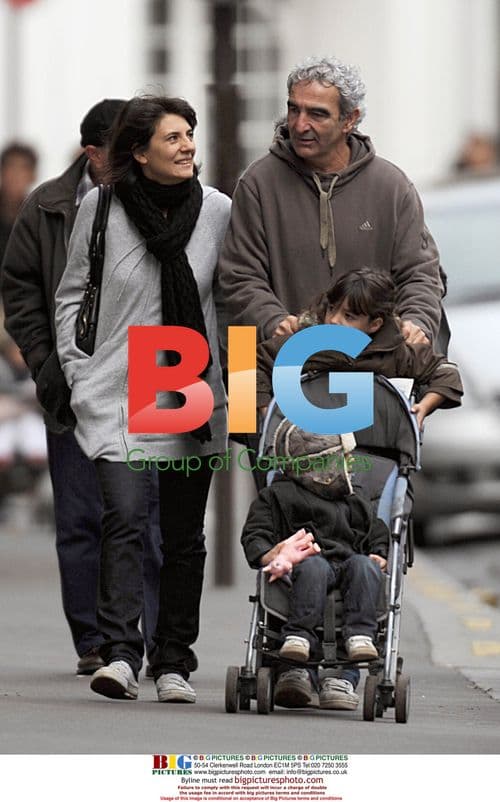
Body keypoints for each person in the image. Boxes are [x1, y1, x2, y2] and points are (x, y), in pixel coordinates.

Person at [55, 95, 231, 703]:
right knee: (124, 519)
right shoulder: (99, 209)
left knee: (182, 533)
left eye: (190, 135)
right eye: (172, 137)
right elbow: (72, 294)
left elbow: (232, 306)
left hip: (183, 378)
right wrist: (80, 373)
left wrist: (234, 389)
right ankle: (122, 654)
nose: (187, 146)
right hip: (115, 384)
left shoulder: (217, 212)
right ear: (139, 151)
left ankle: (175, 660)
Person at [1, 100, 162, 676]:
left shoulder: (166, 197)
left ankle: (149, 639)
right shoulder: (46, 205)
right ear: (93, 153)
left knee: (149, 518)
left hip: (151, 383)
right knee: (80, 518)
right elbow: (19, 287)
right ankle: (95, 642)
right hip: (71, 383)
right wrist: (46, 365)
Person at [218, 55, 445, 348]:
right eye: (293, 109)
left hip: (370, 365)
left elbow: (420, 274)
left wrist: (417, 322)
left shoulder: (393, 187)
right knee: (241, 389)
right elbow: (238, 275)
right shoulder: (256, 183)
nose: (300, 125)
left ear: (349, 119)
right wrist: (272, 320)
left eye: (317, 114)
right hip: (271, 360)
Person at [241, 421, 390, 711]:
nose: (351, 465)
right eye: (344, 459)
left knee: (364, 566)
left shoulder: (353, 499)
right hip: (301, 572)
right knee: (313, 567)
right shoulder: (277, 496)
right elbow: (255, 534)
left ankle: (356, 646)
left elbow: (377, 530)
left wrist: (379, 553)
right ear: (320, 467)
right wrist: (270, 554)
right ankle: (298, 651)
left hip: (349, 570)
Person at [256, 268, 463, 424]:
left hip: (372, 458)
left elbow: (446, 373)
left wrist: (422, 409)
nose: (335, 320)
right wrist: (266, 415)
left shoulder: (395, 351)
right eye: (332, 309)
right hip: (303, 452)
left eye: (349, 316)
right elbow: (245, 363)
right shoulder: (304, 342)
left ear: (375, 324)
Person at [0, 142, 38, 264]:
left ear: (32, 176)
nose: (15, 176)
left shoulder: (38, 218)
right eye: (10, 167)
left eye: (22, 169)